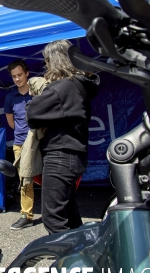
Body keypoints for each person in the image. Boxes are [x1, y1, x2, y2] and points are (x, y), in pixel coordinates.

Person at [26, 40, 99, 234]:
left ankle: (69, 261)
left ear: (54, 61)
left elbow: (32, 113)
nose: (46, 65)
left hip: (60, 156)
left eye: (47, 61)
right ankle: (82, 255)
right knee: (69, 213)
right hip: (74, 155)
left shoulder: (63, 88)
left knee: (53, 218)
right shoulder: (80, 85)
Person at [3, 60, 35, 230]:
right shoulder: (10, 97)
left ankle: (58, 211)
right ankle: (26, 215)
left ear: (27, 73)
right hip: (21, 143)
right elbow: (11, 123)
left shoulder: (37, 91)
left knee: (50, 177)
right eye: (14, 76)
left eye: (20, 75)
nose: (17, 79)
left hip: (41, 141)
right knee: (24, 180)